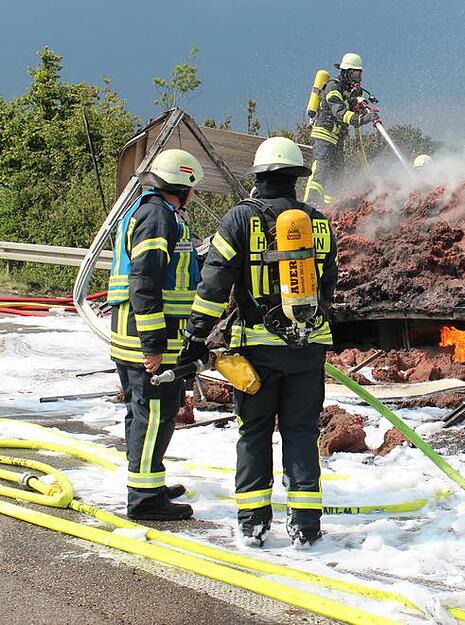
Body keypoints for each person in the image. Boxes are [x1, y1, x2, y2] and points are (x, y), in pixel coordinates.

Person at [179, 136, 338, 547]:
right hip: (309, 347)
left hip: (258, 350)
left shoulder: (238, 219)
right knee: (302, 432)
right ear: (295, 179)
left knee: (254, 432)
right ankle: (306, 524)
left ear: (260, 177)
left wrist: (196, 338)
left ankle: (253, 522)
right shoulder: (318, 222)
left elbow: (214, 283)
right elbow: (329, 285)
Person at [105, 148, 204, 520]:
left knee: (146, 413)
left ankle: (148, 482)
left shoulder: (151, 213)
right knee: (154, 415)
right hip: (145, 337)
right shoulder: (157, 216)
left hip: (135, 334)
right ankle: (145, 501)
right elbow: (144, 280)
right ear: (182, 184)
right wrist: (154, 346)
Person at [304, 52, 379, 206]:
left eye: (358, 74)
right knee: (321, 169)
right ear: (344, 72)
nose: (356, 77)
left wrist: (360, 107)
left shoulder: (352, 91)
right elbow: (339, 112)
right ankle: (310, 204)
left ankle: (331, 208)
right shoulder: (333, 86)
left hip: (338, 139)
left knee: (338, 175)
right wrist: (361, 119)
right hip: (324, 135)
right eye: (353, 73)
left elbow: (352, 108)